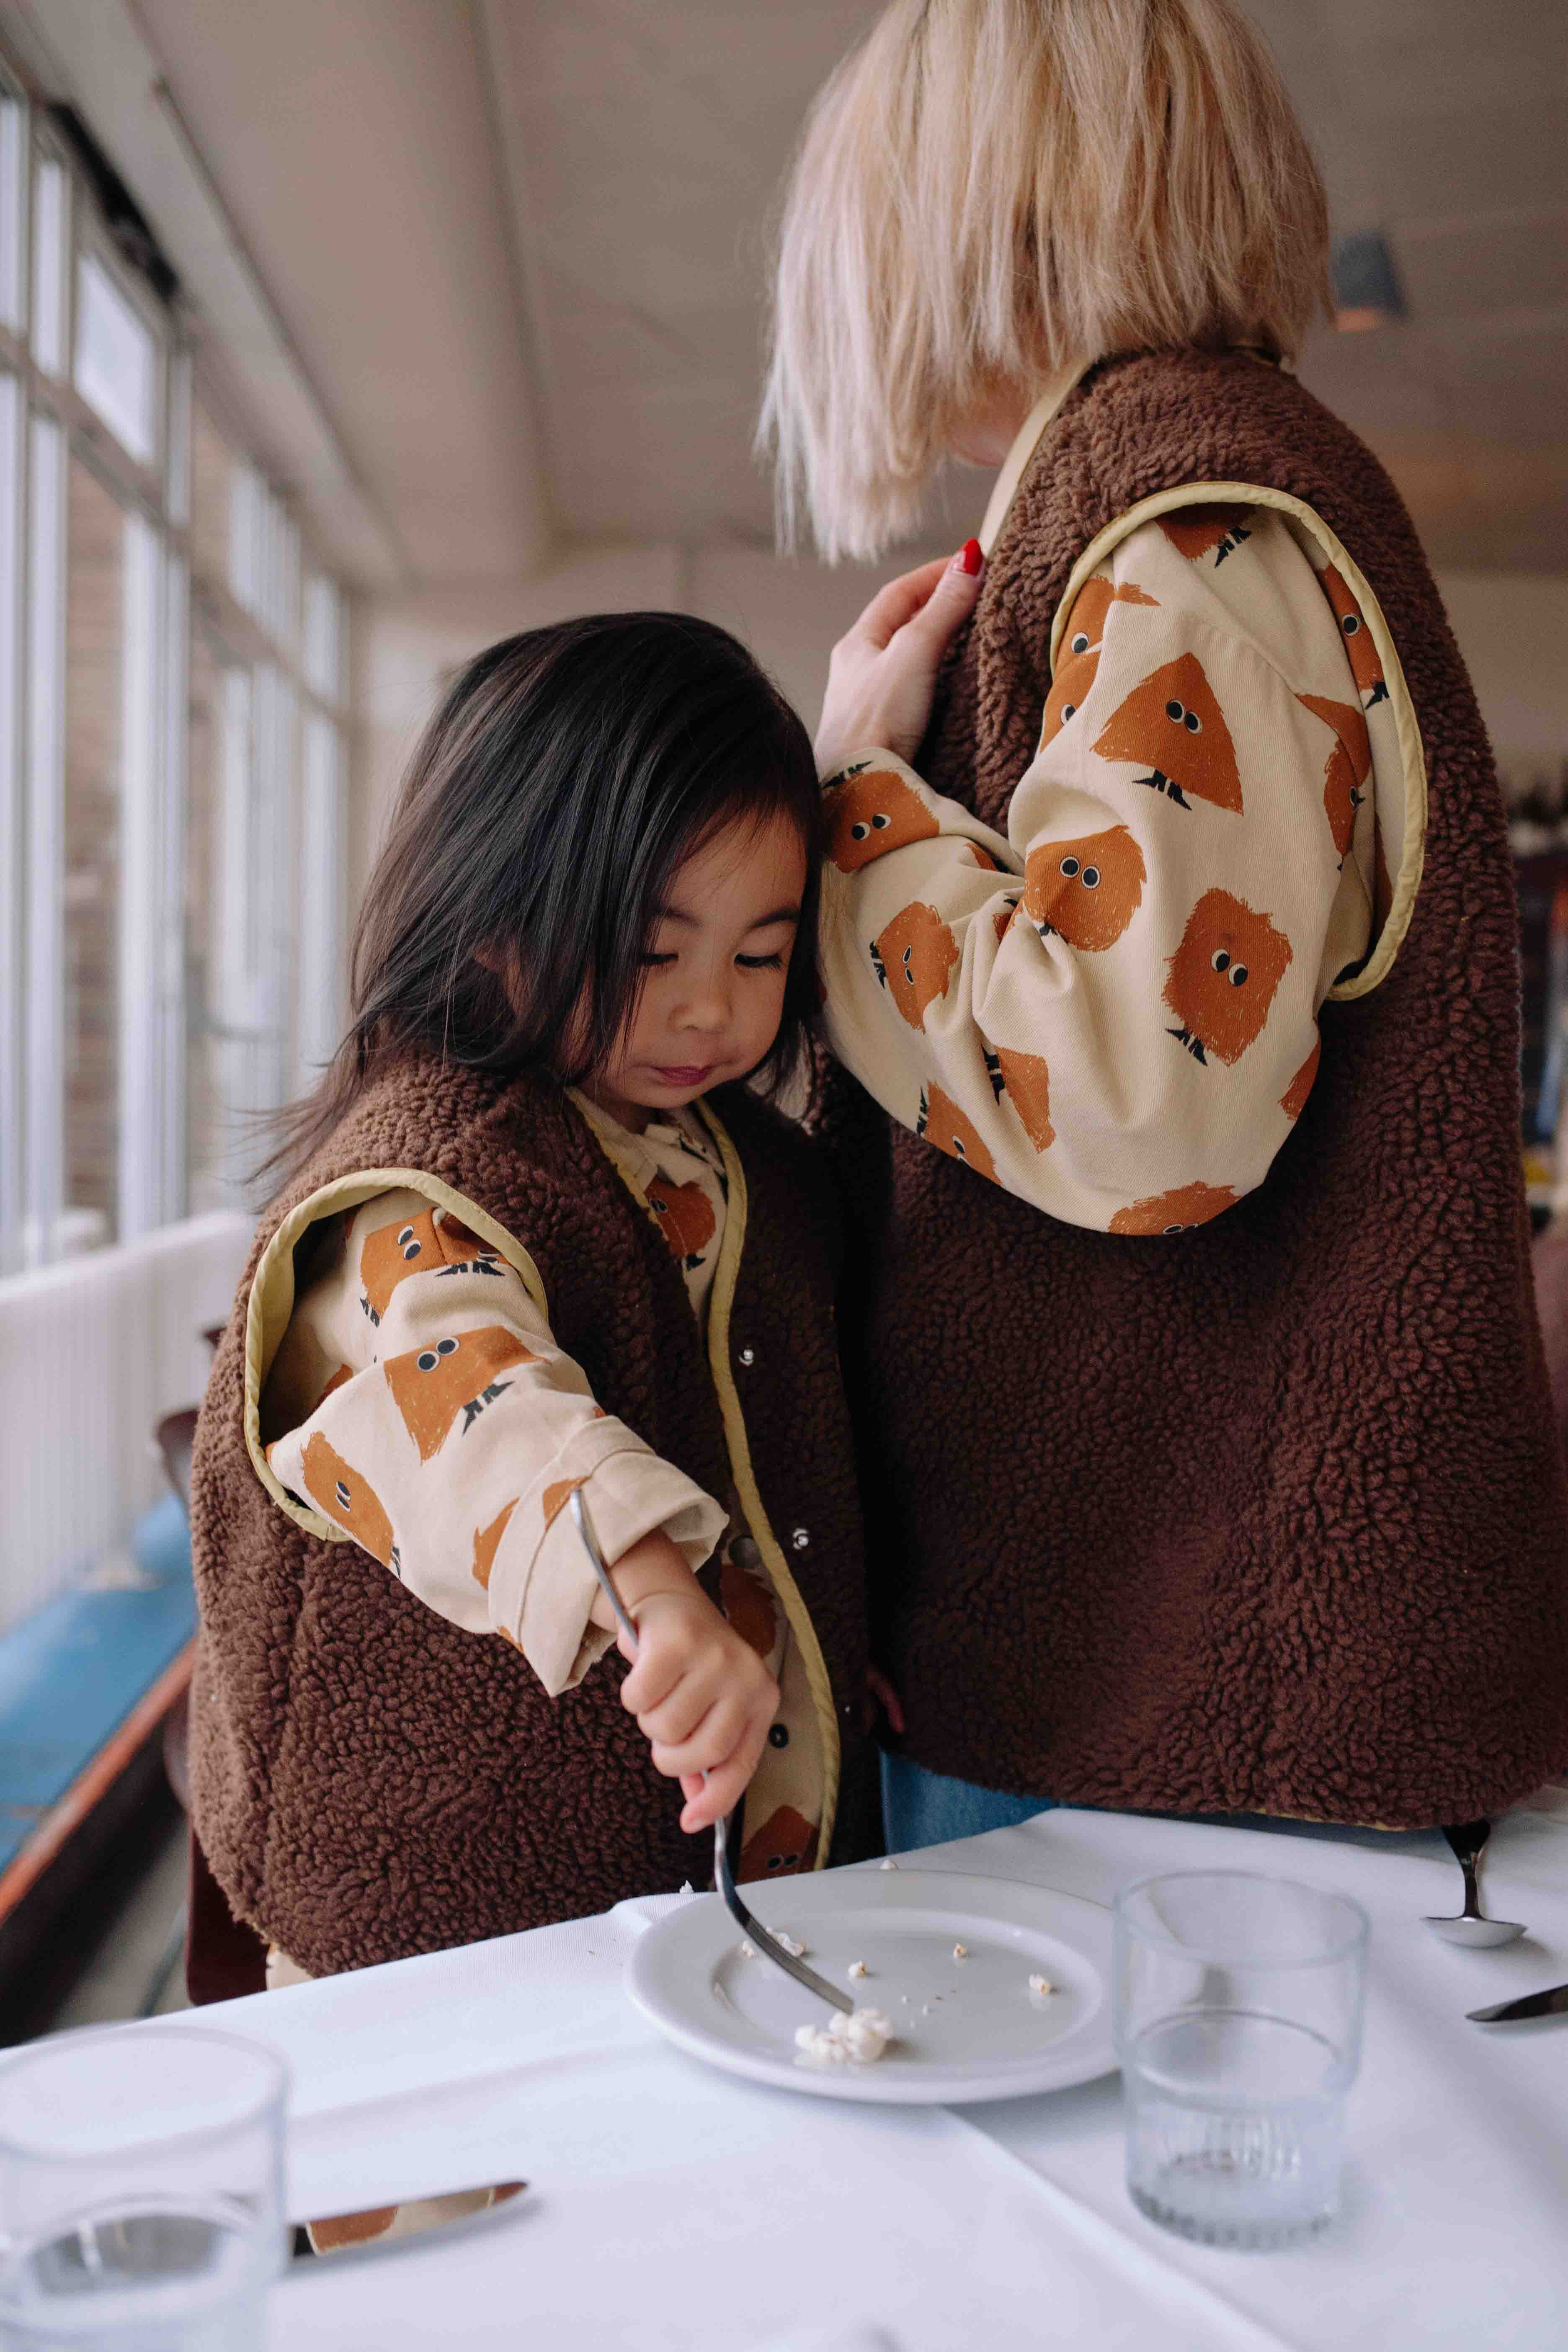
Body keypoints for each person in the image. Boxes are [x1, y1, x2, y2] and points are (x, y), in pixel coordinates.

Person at [761, 0, 1568, 1849]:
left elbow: (1137, 1089)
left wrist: (857, 815)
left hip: (1176, 1711)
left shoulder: (1182, 522)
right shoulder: (1168, 500)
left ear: (981, 220)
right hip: (1153, 1688)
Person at [187, 613, 879, 1989]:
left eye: (757, 958)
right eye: (650, 950)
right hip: (427, 1932)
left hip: (703, 1908)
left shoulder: (762, 1170)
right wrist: (655, 1593)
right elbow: (471, 1397)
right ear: (494, 914)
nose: (708, 1015)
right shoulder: (413, 1175)